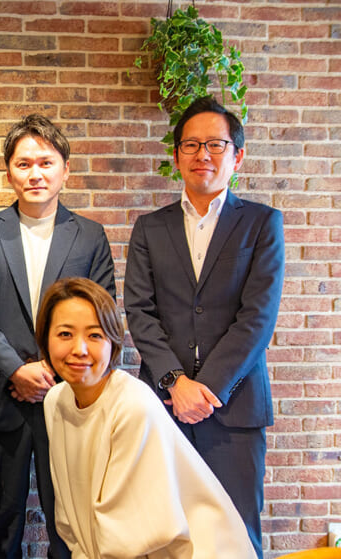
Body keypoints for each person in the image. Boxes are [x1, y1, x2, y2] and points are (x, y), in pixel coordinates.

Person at [124, 96, 285, 558]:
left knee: (235, 535)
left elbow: (258, 317)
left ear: (238, 156)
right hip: (164, 406)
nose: (203, 154)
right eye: (191, 145)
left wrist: (206, 388)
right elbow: (140, 311)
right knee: (162, 535)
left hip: (235, 408)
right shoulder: (150, 228)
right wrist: (176, 382)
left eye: (216, 144)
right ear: (176, 157)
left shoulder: (261, 224)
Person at [0, 114, 115, 559]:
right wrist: (17, 370)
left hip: (70, 398)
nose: (35, 174)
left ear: (65, 169)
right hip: (2, 401)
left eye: (46, 163)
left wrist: (52, 369)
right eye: (24, 164)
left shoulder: (90, 236)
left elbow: (101, 315)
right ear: (9, 171)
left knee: (69, 518)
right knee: (2, 518)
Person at [37, 277, 257, 559]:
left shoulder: (132, 405)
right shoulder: (56, 401)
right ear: (45, 338)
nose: (79, 349)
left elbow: (127, 539)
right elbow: (71, 516)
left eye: (94, 335)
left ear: (113, 342)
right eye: (65, 334)